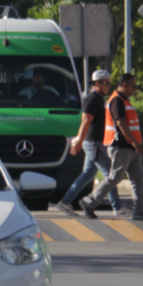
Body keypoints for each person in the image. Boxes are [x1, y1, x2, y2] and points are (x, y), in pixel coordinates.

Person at [79, 73, 143, 221]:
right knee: (115, 177)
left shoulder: (125, 101)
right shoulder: (116, 101)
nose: (135, 89)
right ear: (125, 85)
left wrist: (135, 144)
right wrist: (134, 142)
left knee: (138, 178)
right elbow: (120, 123)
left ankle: (140, 210)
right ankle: (90, 201)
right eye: (134, 86)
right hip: (121, 145)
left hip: (130, 147)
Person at [53, 69, 124, 216]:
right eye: (106, 84)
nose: (109, 86)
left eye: (110, 84)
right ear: (97, 83)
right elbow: (85, 121)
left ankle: (65, 202)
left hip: (94, 142)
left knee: (88, 174)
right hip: (93, 143)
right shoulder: (92, 99)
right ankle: (117, 208)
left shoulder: (98, 98)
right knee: (110, 176)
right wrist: (79, 141)